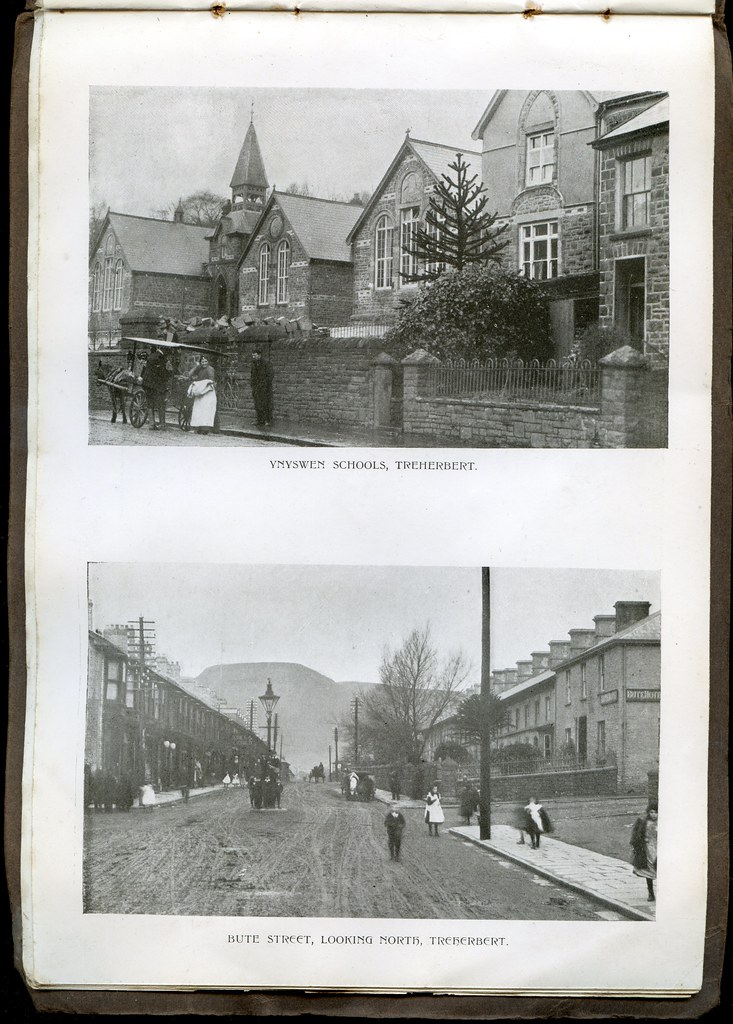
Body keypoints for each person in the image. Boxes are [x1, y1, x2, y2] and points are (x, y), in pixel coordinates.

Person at [631, 802, 658, 902]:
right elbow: (638, 836)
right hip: (648, 850)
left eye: (656, 812)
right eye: (651, 812)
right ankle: (651, 893)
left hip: (660, 849)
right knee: (648, 871)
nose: (653, 814)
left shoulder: (663, 822)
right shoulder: (644, 823)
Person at [141, 346, 171, 430]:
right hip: (155, 384)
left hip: (147, 384)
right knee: (161, 403)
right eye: (168, 353)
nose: (168, 355)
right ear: (165, 351)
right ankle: (162, 424)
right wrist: (169, 374)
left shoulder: (152, 355)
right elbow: (162, 372)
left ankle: (152, 424)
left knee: (150, 403)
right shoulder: (160, 358)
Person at [187, 356, 217, 434]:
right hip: (200, 391)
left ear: (208, 362)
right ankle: (199, 427)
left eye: (205, 361)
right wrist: (197, 366)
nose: (204, 363)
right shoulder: (200, 369)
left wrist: (203, 384)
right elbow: (191, 374)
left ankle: (206, 429)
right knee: (199, 410)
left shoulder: (210, 369)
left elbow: (211, 380)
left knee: (206, 410)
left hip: (207, 391)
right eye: (202, 362)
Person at [250, 348, 273, 427]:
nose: (253, 357)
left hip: (264, 388)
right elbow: (252, 375)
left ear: (259, 355)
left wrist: (265, 384)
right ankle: (259, 420)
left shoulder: (266, 363)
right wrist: (252, 385)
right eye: (252, 355)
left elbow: (270, 375)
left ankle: (267, 420)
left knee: (266, 404)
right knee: (257, 404)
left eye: (255, 355)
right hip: (256, 388)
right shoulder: (253, 364)